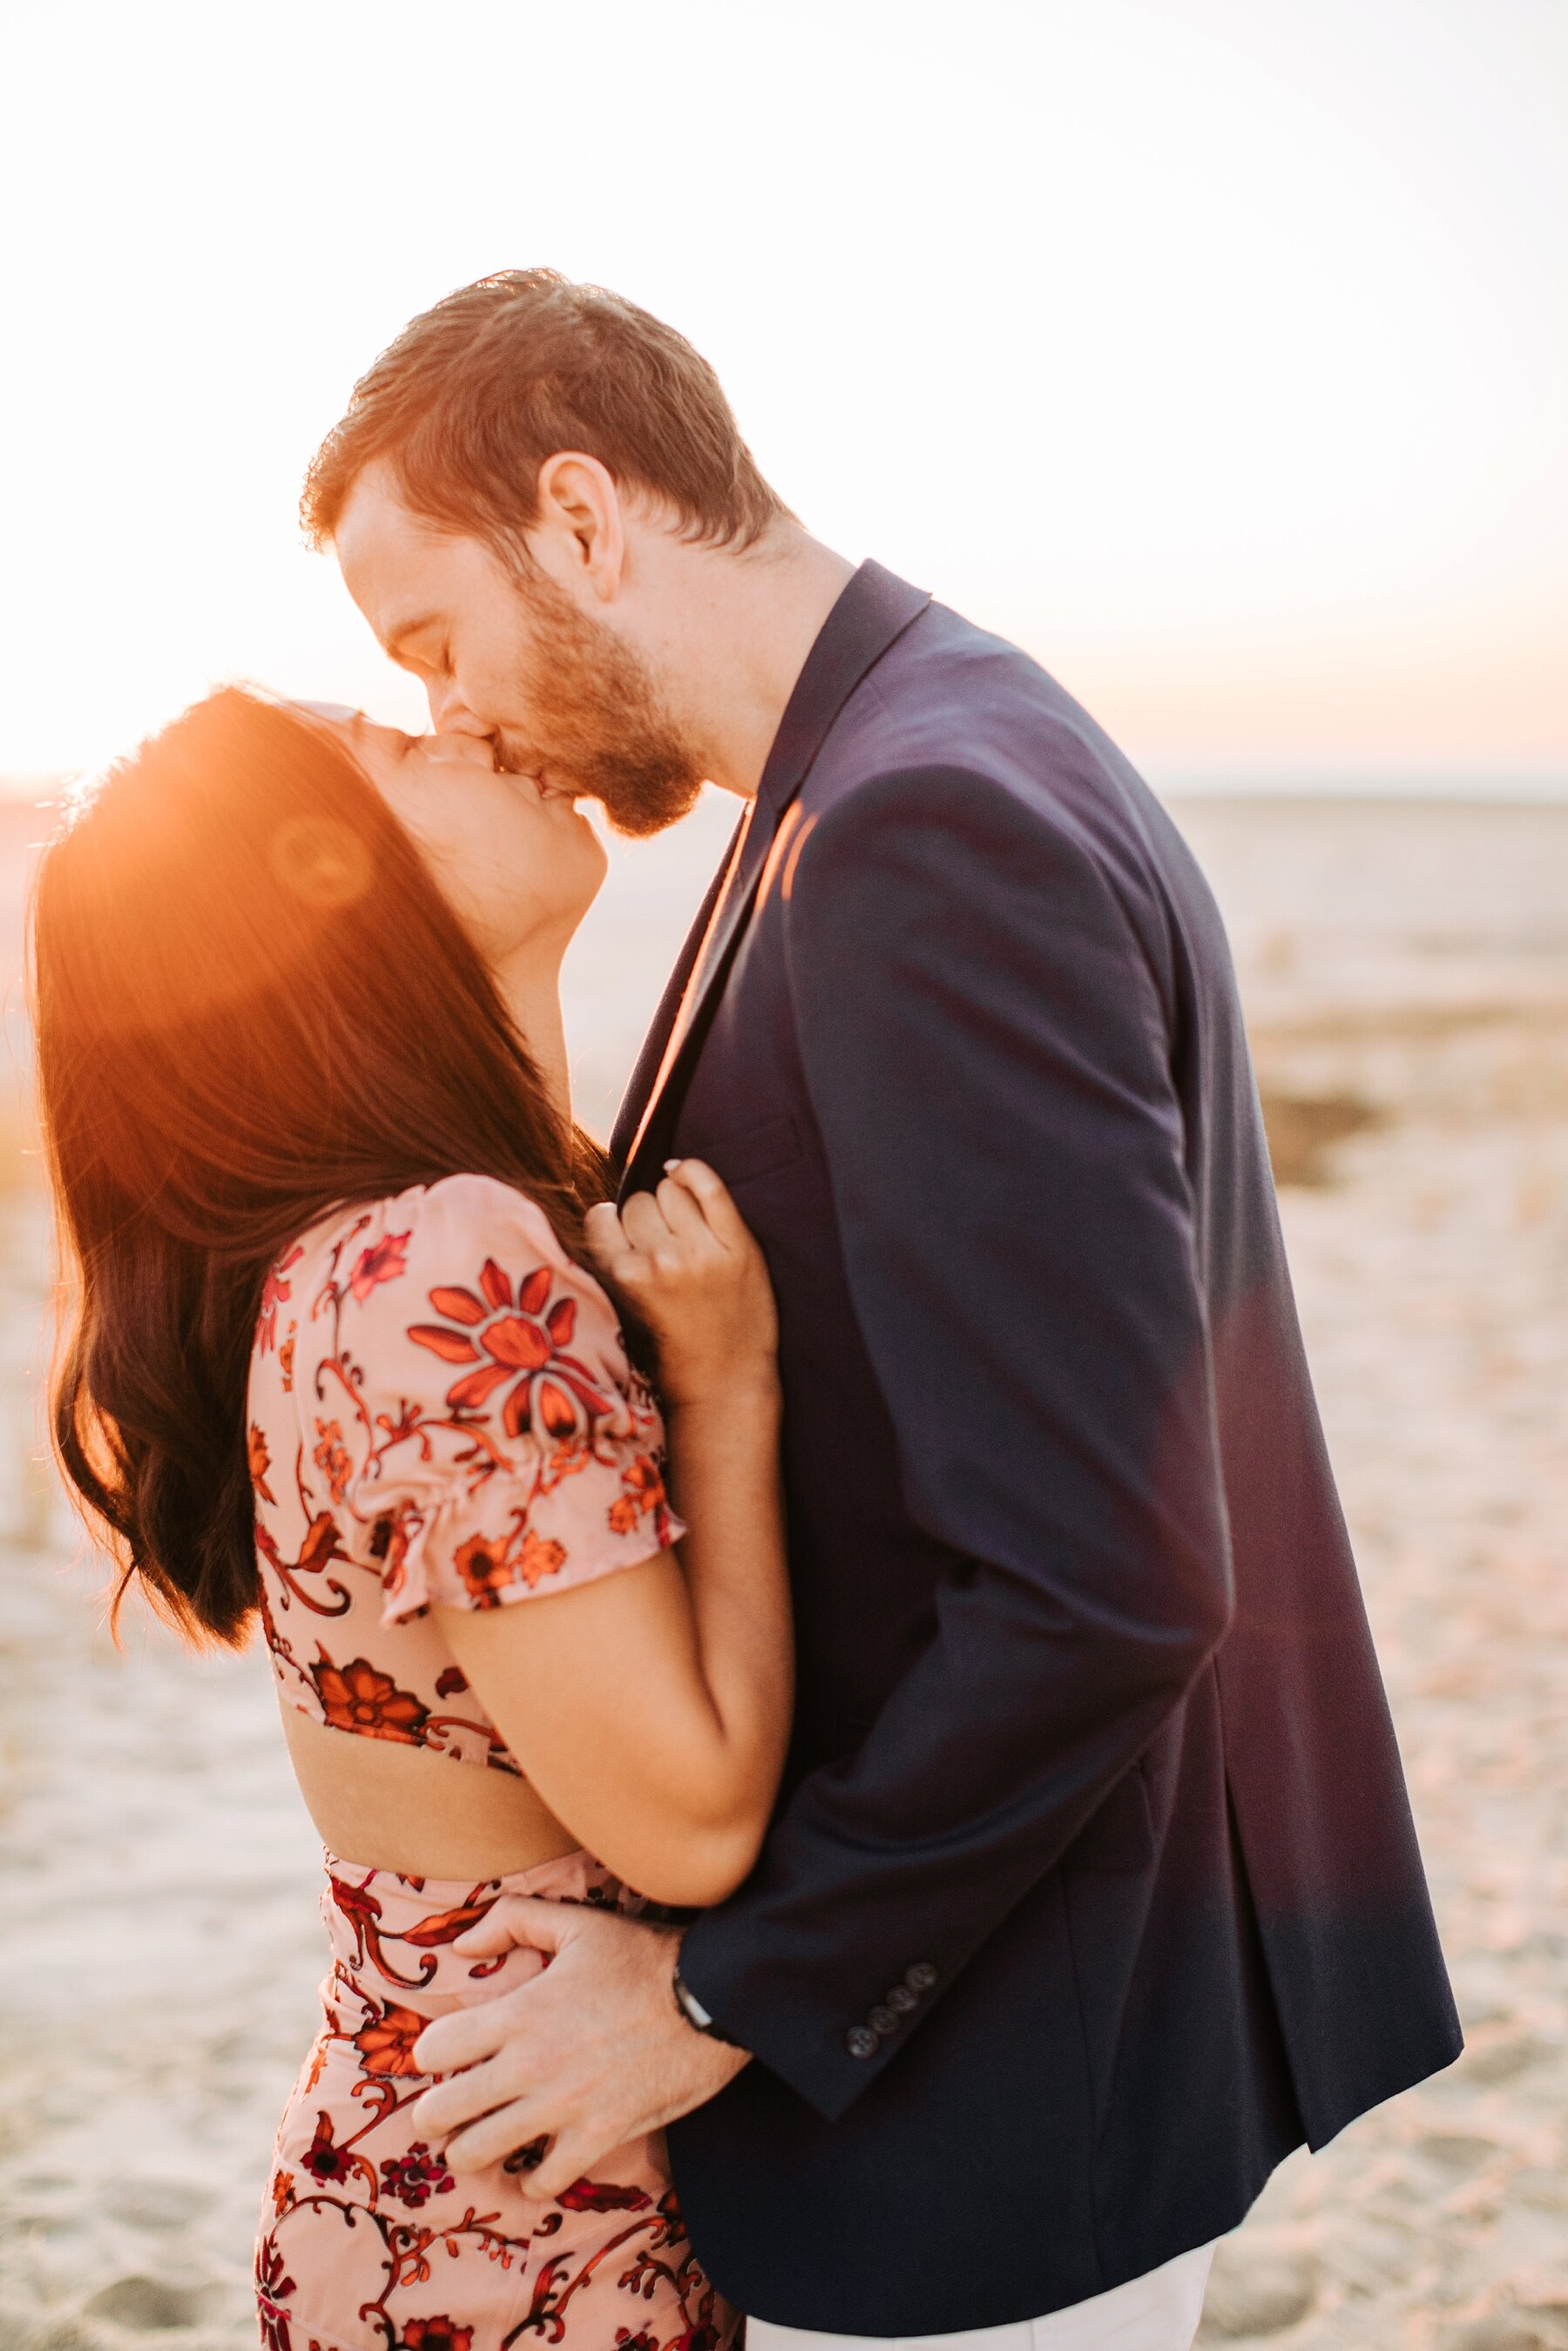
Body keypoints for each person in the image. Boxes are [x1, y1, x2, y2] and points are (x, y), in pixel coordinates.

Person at [297, 268, 1464, 2351]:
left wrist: (720, 1997)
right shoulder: (901, 752)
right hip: (1039, 2026)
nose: (458, 712)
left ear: (583, 517)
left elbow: (1105, 1579)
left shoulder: (920, 830)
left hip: (1002, 2093)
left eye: (434, 641)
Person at [32, 687, 792, 2349]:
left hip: (441, 2195)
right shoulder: (438, 1260)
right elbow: (693, 1826)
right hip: (539, 2238)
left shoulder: (377, 1248)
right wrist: (732, 1392)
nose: (464, 728)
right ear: (325, 897)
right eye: (385, 747)